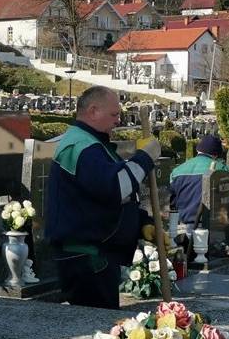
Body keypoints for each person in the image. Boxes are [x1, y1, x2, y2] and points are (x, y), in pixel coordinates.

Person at [46, 86, 161, 309]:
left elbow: (103, 199)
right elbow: (117, 187)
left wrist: (142, 222)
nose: (118, 120)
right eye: (114, 114)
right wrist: (145, 158)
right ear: (93, 111)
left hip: (95, 257)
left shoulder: (93, 144)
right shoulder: (82, 146)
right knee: (95, 327)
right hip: (86, 259)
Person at [169, 135, 229, 231]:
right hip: (214, 227)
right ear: (215, 154)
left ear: (198, 150)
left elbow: (172, 202)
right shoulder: (223, 169)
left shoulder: (177, 171)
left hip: (184, 226)